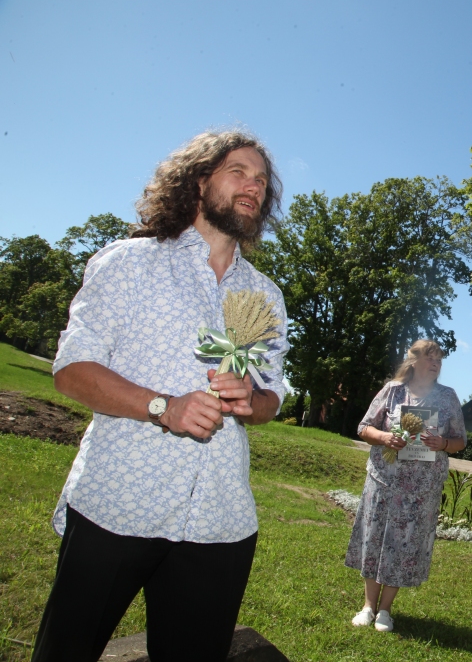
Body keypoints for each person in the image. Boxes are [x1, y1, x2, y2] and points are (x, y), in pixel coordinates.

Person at [31, 130, 290, 662]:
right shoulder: (129, 262)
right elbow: (72, 370)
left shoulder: (265, 296)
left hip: (220, 520)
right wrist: (164, 408)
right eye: (237, 172)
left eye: (261, 180)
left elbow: (273, 396)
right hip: (117, 503)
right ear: (198, 182)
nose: (253, 186)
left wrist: (252, 400)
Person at [345, 339, 467, 633]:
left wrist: (444, 443)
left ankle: (386, 610)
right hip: (384, 481)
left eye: (439, 359)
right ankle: (368, 606)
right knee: (375, 537)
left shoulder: (448, 397)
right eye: (430, 357)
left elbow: (461, 440)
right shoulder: (392, 391)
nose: (436, 363)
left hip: (421, 488)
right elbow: (364, 427)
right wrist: (385, 438)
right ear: (413, 361)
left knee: (405, 543)